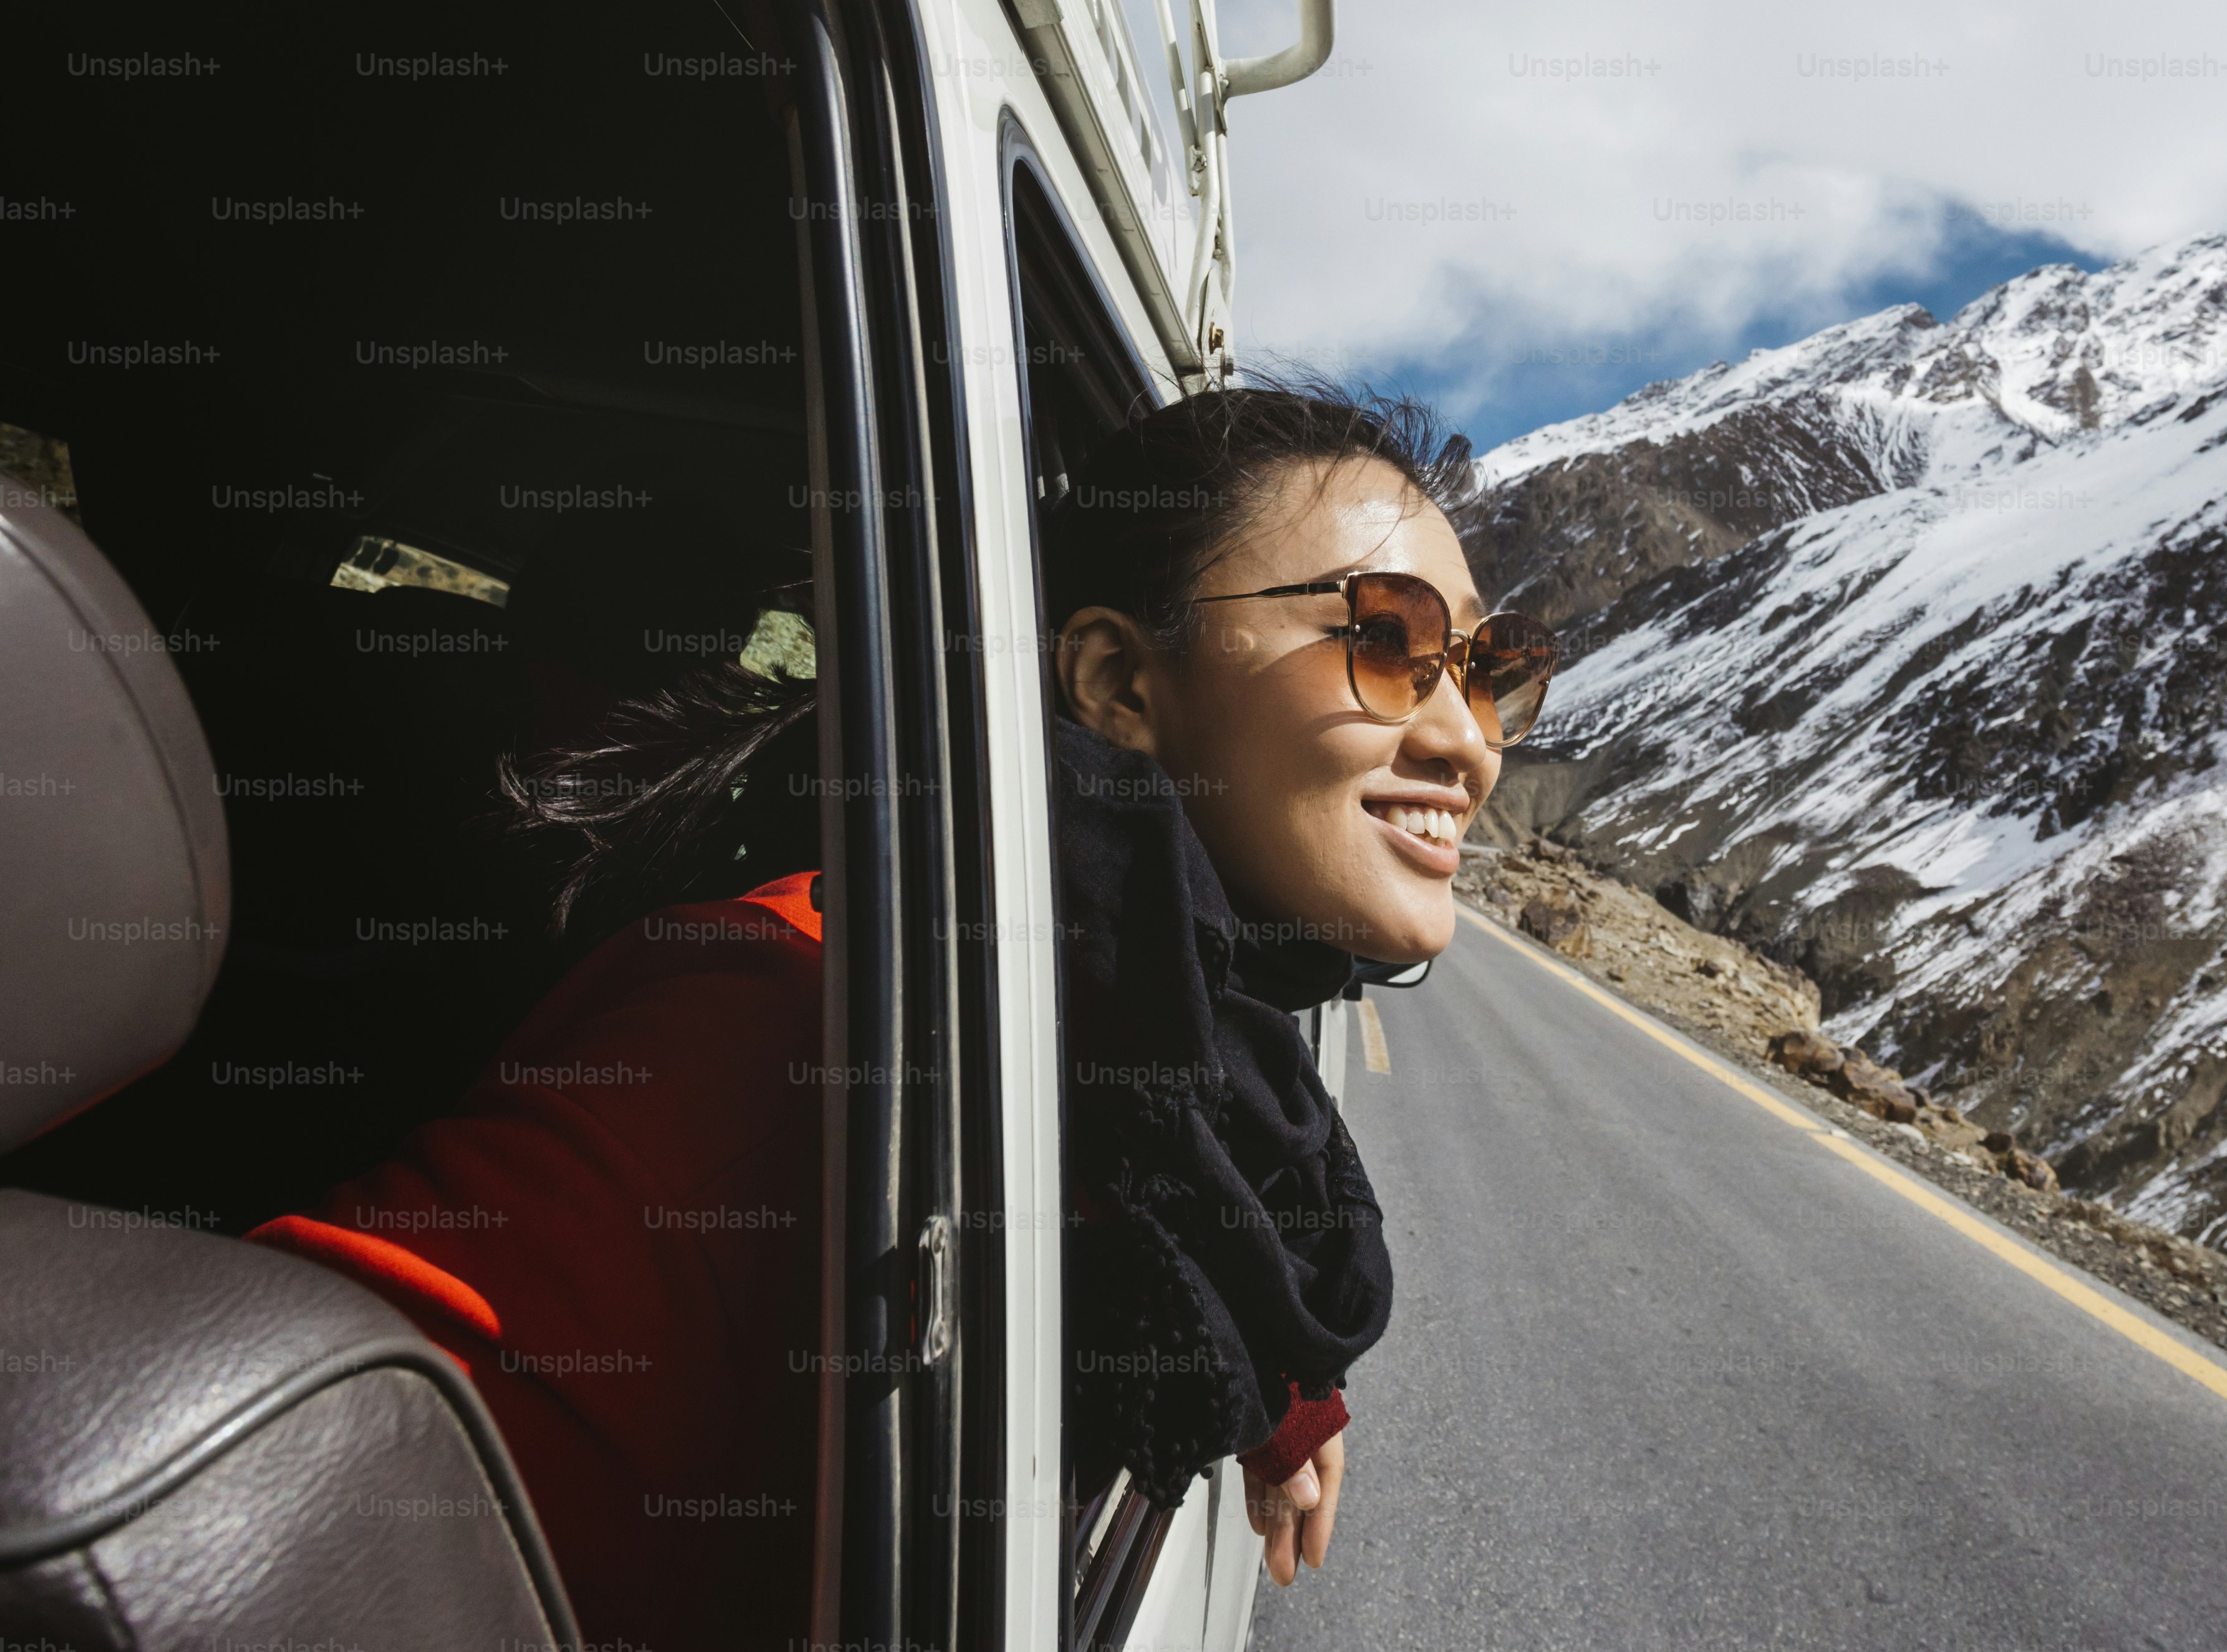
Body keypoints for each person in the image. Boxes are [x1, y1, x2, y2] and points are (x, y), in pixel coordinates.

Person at [243, 384, 1558, 1643]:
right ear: (1117, 686)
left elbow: (1161, 1173)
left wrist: (1279, 1383)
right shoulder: (804, 1023)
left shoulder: (1155, 1012)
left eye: (1490, 666)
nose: (1470, 741)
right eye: (1382, 638)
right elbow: (266, 1495)